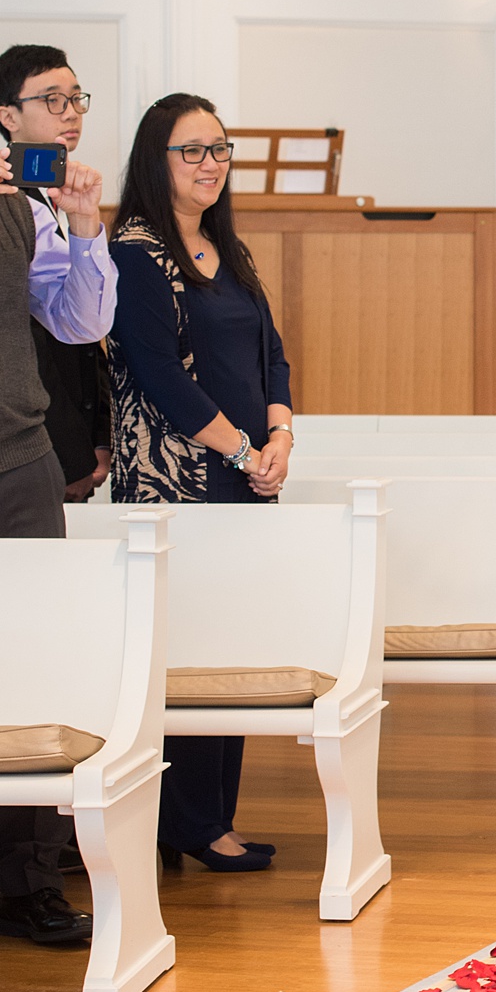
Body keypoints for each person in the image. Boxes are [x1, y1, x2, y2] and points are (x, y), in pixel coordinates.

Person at [0, 47, 114, 947]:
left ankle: (28, 882)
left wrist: (85, 228)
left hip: (18, 464)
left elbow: (80, 322)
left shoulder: (21, 206)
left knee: (26, 664)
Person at [108, 93, 295, 873]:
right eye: (192, 150)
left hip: (242, 474)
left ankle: (214, 816)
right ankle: (185, 824)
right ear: (157, 160)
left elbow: (271, 354)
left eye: (219, 149)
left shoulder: (229, 249)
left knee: (232, 642)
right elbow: (157, 378)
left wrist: (280, 432)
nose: (210, 164)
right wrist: (244, 449)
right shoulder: (136, 252)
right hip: (175, 484)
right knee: (184, 654)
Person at [0, 46, 112, 505]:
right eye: (52, 100)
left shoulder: (63, 191)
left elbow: (87, 335)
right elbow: (30, 346)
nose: (70, 112)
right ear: (8, 116)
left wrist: (99, 434)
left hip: (73, 434)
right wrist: (72, 451)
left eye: (76, 98)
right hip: (31, 444)